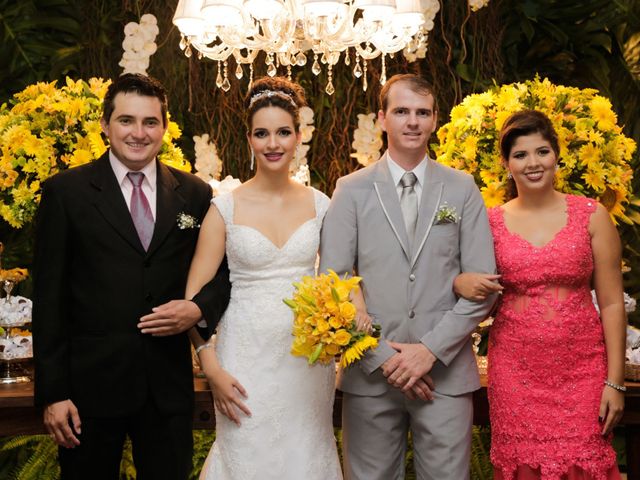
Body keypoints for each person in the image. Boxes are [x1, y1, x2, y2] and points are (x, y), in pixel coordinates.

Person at [32, 73, 231, 480]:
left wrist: (197, 309)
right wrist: (54, 394)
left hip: (166, 390)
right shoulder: (65, 193)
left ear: (164, 126)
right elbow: (48, 299)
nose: (138, 133)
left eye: (150, 122)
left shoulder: (195, 194)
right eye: (126, 120)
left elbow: (224, 274)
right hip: (88, 394)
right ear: (105, 125)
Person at [319, 73, 497, 480]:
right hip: (370, 373)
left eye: (422, 112)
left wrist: (428, 352)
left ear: (435, 120)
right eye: (401, 111)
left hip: (445, 374)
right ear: (382, 118)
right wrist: (384, 359)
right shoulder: (351, 189)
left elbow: (483, 287)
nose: (412, 121)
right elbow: (334, 281)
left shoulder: (462, 188)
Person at [454, 109, 626, 479]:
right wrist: (458, 282)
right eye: (520, 154)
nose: (533, 163)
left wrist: (614, 382)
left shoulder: (592, 215)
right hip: (516, 373)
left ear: (557, 155)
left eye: (542, 152)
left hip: (583, 371)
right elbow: (461, 280)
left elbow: (612, 304)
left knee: (586, 463)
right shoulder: (489, 222)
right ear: (506, 163)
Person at [187, 76, 342, 480]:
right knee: (247, 455)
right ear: (249, 138)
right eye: (262, 133)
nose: (273, 143)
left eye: (282, 132)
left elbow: (340, 283)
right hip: (243, 358)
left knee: (306, 456)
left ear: (298, 136)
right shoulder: (224, 209)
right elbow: (194, 299)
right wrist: (212, 369)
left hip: (308, 361)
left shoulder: (322, 205)